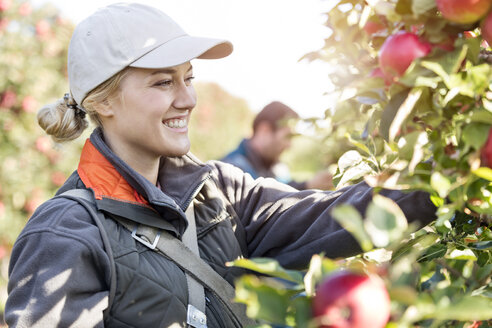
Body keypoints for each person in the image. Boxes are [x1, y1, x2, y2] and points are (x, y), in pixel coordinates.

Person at [5, 3, 437, 328]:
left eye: (188, 78)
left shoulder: (220, 193)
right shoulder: (64, 236)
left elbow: (336, 214)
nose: (188, 98)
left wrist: (448, 175)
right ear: (102, 101)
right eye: (163, 82)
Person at [221, 101, 334, 190]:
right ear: (264, 130)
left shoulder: (276, 167)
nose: (289, 145)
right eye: (287, 136)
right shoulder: (230, 171)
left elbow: (282, 188)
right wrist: (306, 186)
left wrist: (309, 185)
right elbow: (259, 203)